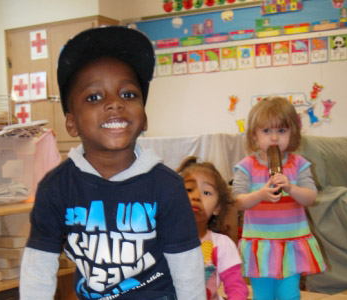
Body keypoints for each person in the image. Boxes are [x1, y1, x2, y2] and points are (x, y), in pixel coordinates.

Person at [19, 26, 206, 300]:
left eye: (128, 94)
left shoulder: (167, 186)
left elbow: (187, 267)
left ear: (144, 117)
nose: (115, 103)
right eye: (94, 97)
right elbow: (38, 267)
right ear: (71, 123)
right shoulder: (56, 187)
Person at [232, 96, 326, 300]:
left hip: (291, 243)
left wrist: (291, 188)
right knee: (263, 295)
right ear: (254, 136)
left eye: (281, 131)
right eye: (267, 131)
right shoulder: (247, 165)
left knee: (289, 294)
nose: (274, 138)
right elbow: (237, 201)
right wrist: (260, 195)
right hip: (260, 245)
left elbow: (310, 197)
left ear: (292, 134)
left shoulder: (299, 164)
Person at [178, 157, 248, 300]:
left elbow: (235, 287)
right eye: (189, 189)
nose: (196, 197)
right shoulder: (160, 239)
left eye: (206, 192)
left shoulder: (222, 244)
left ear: (217, 208)